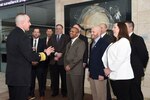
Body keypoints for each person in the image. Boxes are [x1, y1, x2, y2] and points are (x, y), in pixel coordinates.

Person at [6, 13, 54, 100]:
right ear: (22, 22)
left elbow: (19, 54)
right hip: (21, 78)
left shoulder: (11, 34)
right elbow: (31, 56)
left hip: (12, 77)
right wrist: (45, 53)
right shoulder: (23, 36)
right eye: (28, 21)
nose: (30, 24)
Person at [102, 22, 134, 100]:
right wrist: (106, 67)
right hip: (114, 76)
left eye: (115, 27)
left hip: (123, 77)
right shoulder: (114, 43)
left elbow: (120, 59)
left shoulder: (124, 41)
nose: (112, 29)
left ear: (121, 29)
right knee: (119, 97)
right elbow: (104, 57)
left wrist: (109, 69)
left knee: (123, 97)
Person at [125, 20, 149, 100]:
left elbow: (144, 55)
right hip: (125, 72)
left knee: (136, 93)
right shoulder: (122, 40)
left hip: (135, 71)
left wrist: (141, 67)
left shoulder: (137, 39)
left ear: (131, 27)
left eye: (125, 27)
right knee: (128, 93)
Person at [88, 26, 110, 100]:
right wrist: (89, 72)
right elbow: (92, 59)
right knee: (95, 95)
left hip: (100, 74)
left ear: (99, 32)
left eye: (93, 32)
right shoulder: (92, 43)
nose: (91, 33)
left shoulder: (104, 43)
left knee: (101, 96)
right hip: (92, 74)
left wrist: (102, 74)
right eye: (91, 31)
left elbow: (106, 60)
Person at [64, 27, 86, 100]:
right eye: (70, 31)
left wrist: (70, 66)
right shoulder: (69, 43)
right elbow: (65, 56)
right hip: (68, 70)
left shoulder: (81, 43)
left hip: (76, 71)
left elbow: (79, 57)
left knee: (77, 91)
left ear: (78, 34)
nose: (71, 32)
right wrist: (65, 66)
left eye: (73, 31)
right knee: (70, 90)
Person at [48, 24, 69, 97]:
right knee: (54, 78)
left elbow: (67, 47)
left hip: (62, 61)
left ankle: (64, 92)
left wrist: (61, 54)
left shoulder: (66, 37)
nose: (58, 30)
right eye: (56, 28)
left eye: (59, 28)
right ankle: (55, 92)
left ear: (62, 29)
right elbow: (49, 47)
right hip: (53, 61)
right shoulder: (52, 37)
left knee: (64, 78)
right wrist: (55, 54)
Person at [29, 28, 47, 100]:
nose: (36, 33)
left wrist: (37, 61)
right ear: (32, 33)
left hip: (40, 65)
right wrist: (31, 61)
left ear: (39, 34)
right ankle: (31, 94)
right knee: (31, 81)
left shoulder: (43, 42)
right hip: (31, 65)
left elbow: (44, 54)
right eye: (35, 32)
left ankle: (42, 95)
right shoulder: (28, 41)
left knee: (41, 81)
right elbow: (27, 53)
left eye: (37, 32)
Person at [99, 23, 116, 100]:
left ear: (106, 29)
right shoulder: (97, 38)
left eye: (102, 28)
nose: (100, 29)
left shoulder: (109, 38)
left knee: (106, 86)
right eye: (99, 27)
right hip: (98, 64)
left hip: (106, 66)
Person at [73, 24, 88, 96]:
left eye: (76, 28)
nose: (74, 29)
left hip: (81, 63)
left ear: (79, 29)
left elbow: (86, 51)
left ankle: (80, 95)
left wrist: (84, 61)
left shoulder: (84, 38)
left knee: (80, 80)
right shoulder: (71, 37)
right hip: (72, 63)